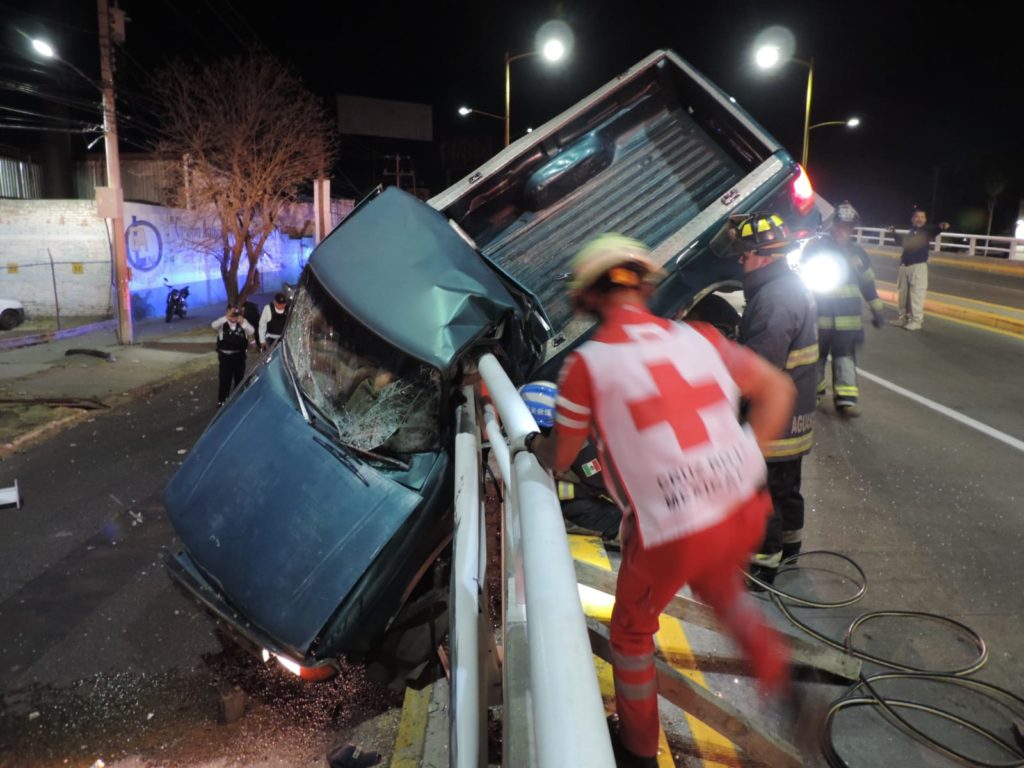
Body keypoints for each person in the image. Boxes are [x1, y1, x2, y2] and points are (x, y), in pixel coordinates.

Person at [525, 233, 795, 767]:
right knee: (718, 584)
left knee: (630, 633)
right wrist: (741, 461)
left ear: (587, 299)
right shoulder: (700, 336)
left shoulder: (587, 368)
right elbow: (779, 391)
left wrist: (534, 444)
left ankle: (638, 751)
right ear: (646, 285)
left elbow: (560, 457)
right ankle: (772, 667)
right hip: (743, 508)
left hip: (671, 530)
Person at [736, 213, 818, 584]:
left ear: (764, 256)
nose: (741, 262)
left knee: (760, 494)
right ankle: (789, 554)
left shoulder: (774, 298)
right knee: (787, 492)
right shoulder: (789, 287)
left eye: (746, 255)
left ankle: (761, 568)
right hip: (795, 420)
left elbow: (757, 367)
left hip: (773, 424)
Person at [804, 207, 885, 416]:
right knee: (816, 358)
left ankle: (846, 400)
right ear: (834, 225)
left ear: (852, 229)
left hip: (847, 321)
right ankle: (813, 395)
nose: (843, 230)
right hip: (819, 317)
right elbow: (802, 276)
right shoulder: (816, 249)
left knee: (845, 359)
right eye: (840, 225)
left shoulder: (858, 253)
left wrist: (877, 309)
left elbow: (868, 283)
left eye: (847, 227)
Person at [520, 381, 622, 541]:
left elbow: (599, 487)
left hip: (632, 511)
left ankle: (617, 530)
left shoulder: (587, 458)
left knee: (570, 510)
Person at [887, 209, 950, 331]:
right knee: (903, 295)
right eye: (917, 216)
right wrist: (893, 233)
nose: (919, 219)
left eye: (922, 217)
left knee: (916, 295)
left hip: (918, 267)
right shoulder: (911, 232)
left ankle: (916, 321)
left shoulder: (927, 231)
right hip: (904, 267)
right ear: (912, 219)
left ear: (925, 220)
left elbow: (937, 229)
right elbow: (903, 244)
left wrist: (942, 226)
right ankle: (903, 318)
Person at [212, 305, 254, 406]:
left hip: (239, 356)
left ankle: (238, 400)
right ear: (227, 312)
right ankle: (222, 400)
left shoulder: (243, 322)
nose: (234, 316)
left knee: (239, 379)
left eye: (236, 314)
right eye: (232, 313)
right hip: (225, 357)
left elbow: (251, 331)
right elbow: (213, 325)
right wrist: (227, 317)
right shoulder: (222, 323)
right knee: (225, 379)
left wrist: (242, 322)